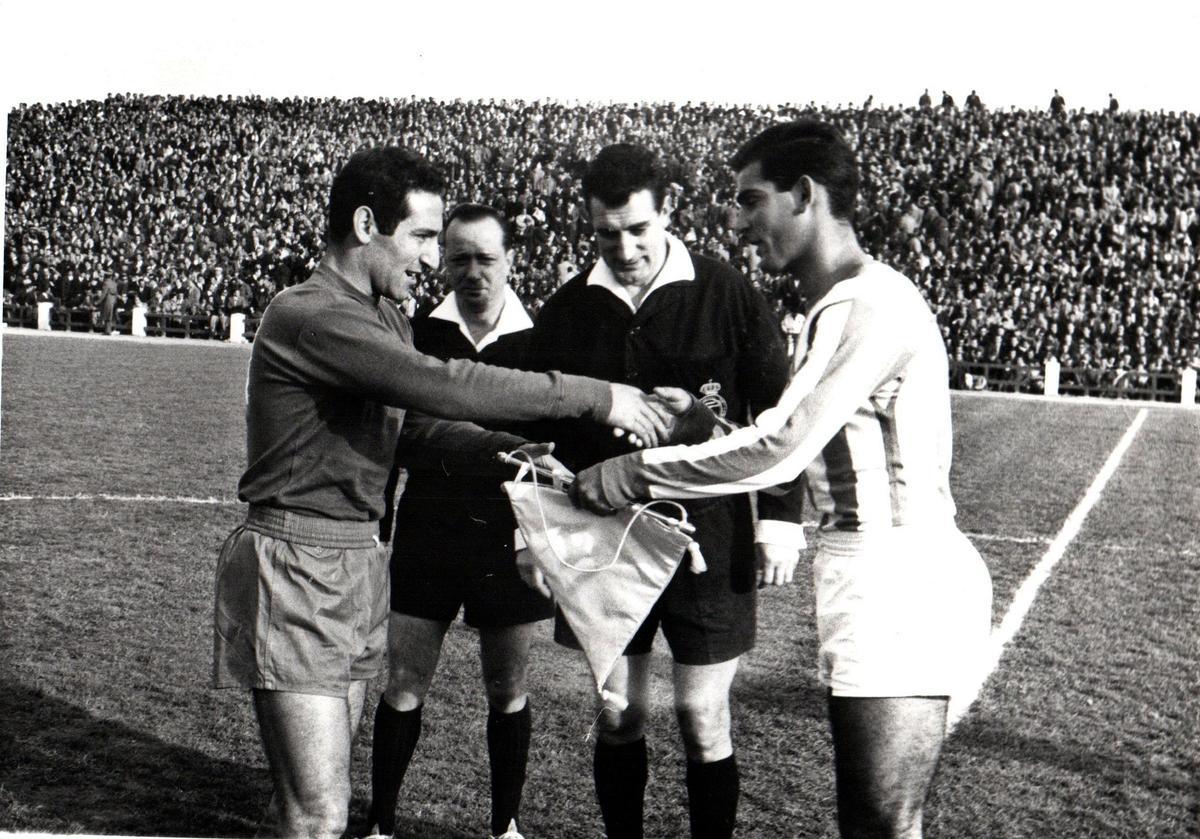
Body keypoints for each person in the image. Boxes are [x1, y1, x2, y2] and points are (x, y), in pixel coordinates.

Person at [211, 146, 671, 839]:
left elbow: (416, 431)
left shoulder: (382, 315)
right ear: (367, 224)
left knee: (316, 800)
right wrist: (594, 397)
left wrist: (514, 454)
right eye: (423, 237)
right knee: (319, 813)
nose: (433, 260)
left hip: (357, 563)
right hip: (297, 564)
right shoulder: (312, 314)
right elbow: (444, 384)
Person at [570, 121, 993, 839]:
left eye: (750, 200)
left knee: (881, 821)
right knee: (876, 819)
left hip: (897, 571)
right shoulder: (844, 302)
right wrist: (702, 427)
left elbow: (781, 448)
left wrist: (632, 470)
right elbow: (788, 434)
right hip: (869, 568)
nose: (737, 221)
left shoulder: (867, 301)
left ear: (804, 195)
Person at [521, 143, 804, 839]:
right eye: (605, 233)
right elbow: (539, 430)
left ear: (670, 208)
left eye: (638, 229)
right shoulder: (566, 311)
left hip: (709, 535)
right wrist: (528, 536)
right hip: (603, 539)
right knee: (620, 714)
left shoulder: (727, 293)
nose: (623, 248)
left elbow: (782, 417)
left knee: (704, 717)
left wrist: (780, 520)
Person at [366, 204, 551, 839]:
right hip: (430, 527)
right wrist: (380, 519)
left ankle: (506, 827)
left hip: (511, 534)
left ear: (511, 260)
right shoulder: (416, 329)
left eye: (487, 259)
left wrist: (537, 538)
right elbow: (397, 434)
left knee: (507, 687)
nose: (472, 272)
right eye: (459, 258)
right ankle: (382, 825)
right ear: (442, 259)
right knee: (405, 680)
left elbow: (555, 444)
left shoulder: (540, 339)